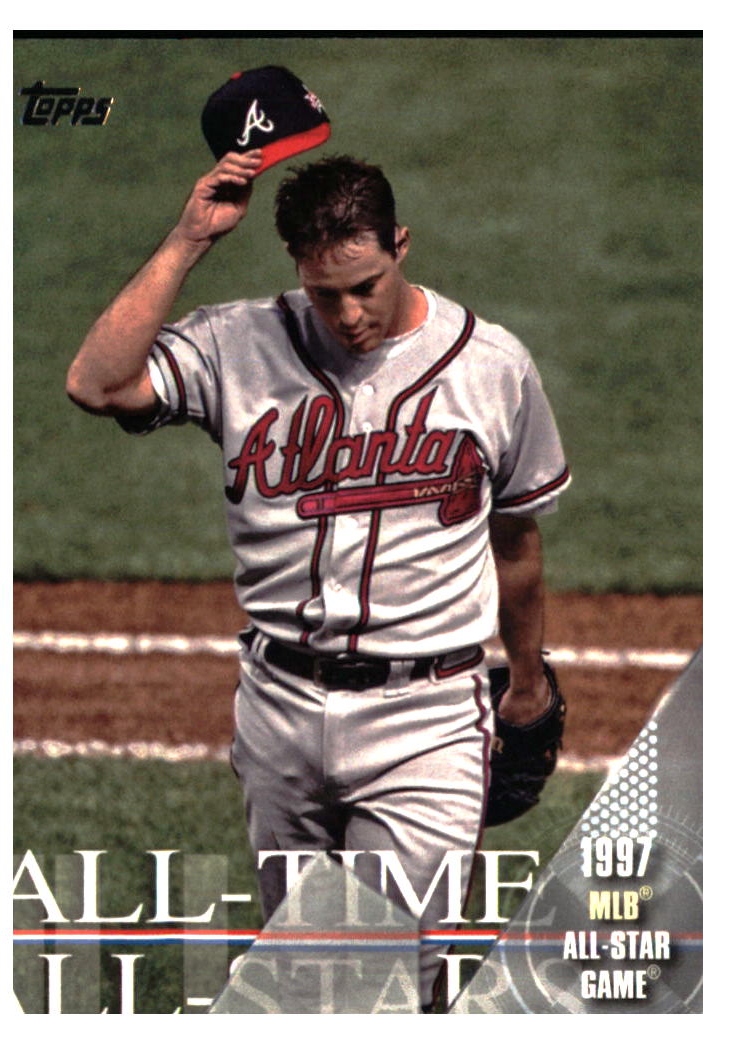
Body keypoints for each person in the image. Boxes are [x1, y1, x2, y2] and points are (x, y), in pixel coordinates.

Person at [66, 149, 571, 1011]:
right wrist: (189, 239)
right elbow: (96, 382)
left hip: (426, 718)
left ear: (401, 244)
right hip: (278, 707)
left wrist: (525, 681)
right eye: (324, 292)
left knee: (392, 981)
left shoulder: (492, 366)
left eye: (365, 285)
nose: (349, 315)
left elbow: (516, 542)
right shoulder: (237, 343)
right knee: (298, 980)